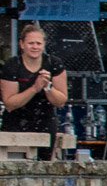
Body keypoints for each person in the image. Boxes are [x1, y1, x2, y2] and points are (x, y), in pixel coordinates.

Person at [3, 23, 70, 154]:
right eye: (31, 43)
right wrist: (34, 88)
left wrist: (47, 86)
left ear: (44, 44)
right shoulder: (12, 65)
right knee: (16, 162)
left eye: (38, 43)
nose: (35, 47)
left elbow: (60, 101)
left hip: (44, 119)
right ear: (22, 44)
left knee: (43, 163)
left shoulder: (53, 63)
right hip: (16, 119)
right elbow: (10, 104)